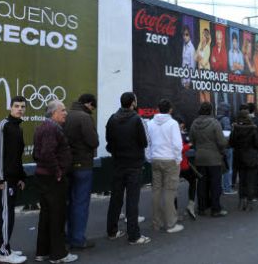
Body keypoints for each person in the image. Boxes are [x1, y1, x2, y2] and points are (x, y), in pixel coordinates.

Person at [33, 100, 75, 263]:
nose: (66, 113)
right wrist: (57, 172)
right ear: (53, 113)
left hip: (43, 176)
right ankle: (59, 255)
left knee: (46, 215)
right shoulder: (51, 128)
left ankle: (42, 252)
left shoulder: (43, 127)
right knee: (57, 216)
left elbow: (37, 154)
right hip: (52, 179)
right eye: (63, 110)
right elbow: (46, 153)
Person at [105, 92, 150, 245]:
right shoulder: (136, 119)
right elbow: (144, 142)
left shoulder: (112, 118)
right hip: (134, 165)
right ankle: (134, 235)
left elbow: (108, 141)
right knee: (132, 200)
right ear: (132, 103)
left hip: (117, 163)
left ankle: (112, 231)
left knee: (115, 198)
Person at [0, 96, 28, 263]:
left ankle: (1, 247)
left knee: (7, 214)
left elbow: (16, 157)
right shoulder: (2, 126)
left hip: (13, 179)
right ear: (10, 107)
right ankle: (4, 253)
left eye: (22, 106)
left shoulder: (18, 128)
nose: (20, 109)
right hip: (4, 180)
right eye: (16, 106)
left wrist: (20, 176)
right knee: (6, 215)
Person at [64, 94, 99, 250]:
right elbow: (93, 141)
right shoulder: (84, 118)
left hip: (66, 166)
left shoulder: (66, 114)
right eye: (92, 107)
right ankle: (77, 239)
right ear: (89, 104)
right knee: (80, 204)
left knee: (67, 203)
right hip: (83, 165)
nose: (92, 110)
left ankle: (65, 237)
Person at [145, 99, 183, 233]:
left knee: (156, 191)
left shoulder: (150, 123)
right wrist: (178, 159)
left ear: (157, 109)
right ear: (170, 109)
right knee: (169, 191)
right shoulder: (173, 124)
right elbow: (177, 145)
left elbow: (148, 142)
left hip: (155, 159)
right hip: (170, 160)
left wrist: (149, 157)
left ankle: (157, 223)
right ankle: (171, 223)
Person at [190, 102, 228, 217]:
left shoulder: (194, 123)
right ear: (211, 110)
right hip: (214, 158)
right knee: (215, 184)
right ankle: (215, 209)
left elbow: (192, 140)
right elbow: (221, 142)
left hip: (199, 157)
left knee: (202, 183)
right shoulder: (215, 123)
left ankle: (202, 208)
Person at [229, 109, 258, 211]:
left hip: (239, 157)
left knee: (242, 180)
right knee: (250, 181)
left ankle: (241, 201)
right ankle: (249, 203)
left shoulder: (235, 129)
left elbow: (231, 143)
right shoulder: (253, 129)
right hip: (251, 157)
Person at [217, 102, 235, 195]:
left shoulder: (215, 118)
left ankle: (221, 187)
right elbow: (227, 133)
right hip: (226, 147)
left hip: (218, 147)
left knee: (221, 169)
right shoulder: (225, 119)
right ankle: (227, 188)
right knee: (228, 168)